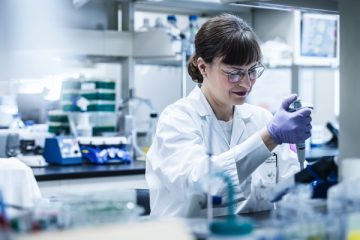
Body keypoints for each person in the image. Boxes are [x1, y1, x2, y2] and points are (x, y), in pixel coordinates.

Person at [146, 13, 312, 217]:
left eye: (252, 71)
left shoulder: (261, 118)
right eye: (233, 73)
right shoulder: (177, 119)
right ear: (203, 67)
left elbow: (293, 183)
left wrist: (320, 174)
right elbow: (202, 185)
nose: (246, 83)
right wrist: (268, 138)